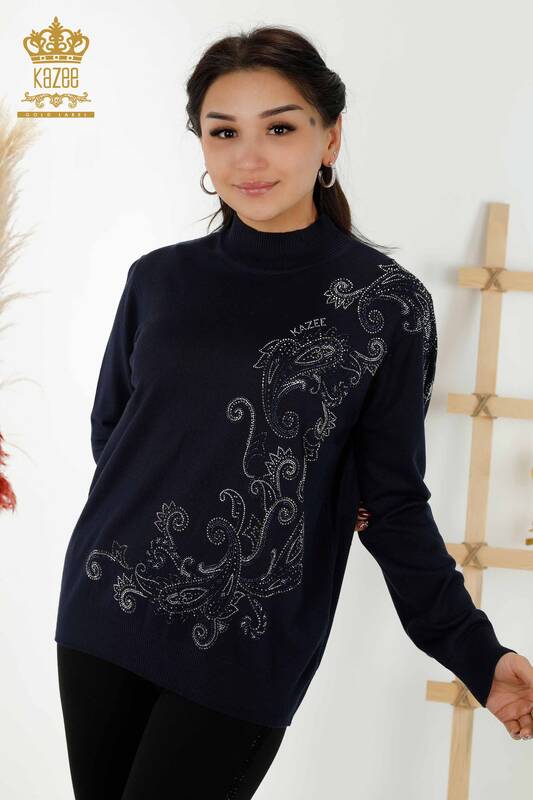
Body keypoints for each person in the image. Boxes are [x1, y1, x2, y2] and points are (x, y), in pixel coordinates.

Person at [55, 23, 533, 800]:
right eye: (223, 132)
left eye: (278, 128)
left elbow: (392, 504)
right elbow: (113, 433)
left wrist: (477, 655)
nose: (249, 157)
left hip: (247, 641)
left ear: (329, 137)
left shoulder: (385, 307)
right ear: (201, 145)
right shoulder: (157, 280)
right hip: (104, 607)